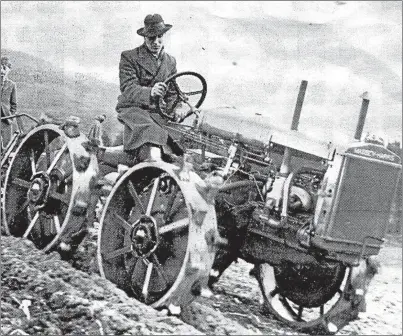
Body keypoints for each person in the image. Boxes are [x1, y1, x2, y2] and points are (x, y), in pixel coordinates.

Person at [116, 14, 185, 162]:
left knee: (179, 141)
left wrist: (178, 107)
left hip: (157, 111)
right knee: (153, 133)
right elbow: (128, 88)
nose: (156, 42)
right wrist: (150, 92)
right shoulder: (129, 57)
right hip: (133, 108)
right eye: (151, 38)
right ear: (144, 38)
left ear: (164, 35)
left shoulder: (170, 61)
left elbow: (173, 92)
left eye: (159, 37)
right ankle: (144, 166)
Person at [1, 56, 18, 150]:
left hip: (6, 120)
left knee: (6, 147)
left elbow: (14, 104)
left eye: (5, 68)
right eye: (1, 67)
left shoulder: (12, 85)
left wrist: (11, 116)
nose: (2, 71)